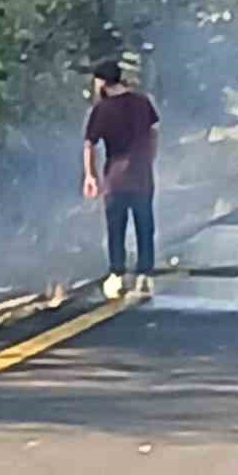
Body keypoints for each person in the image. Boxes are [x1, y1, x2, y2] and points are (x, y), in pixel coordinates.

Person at [83, 59, 159, 299]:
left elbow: (89, 144)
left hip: (115, 177)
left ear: (102, 82)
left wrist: (90, 175)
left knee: (116, 227)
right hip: (142, 175)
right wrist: (149, 157)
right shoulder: (142, 102)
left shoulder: (102, 110)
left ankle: (117, 274)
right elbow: (154, 131)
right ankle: (145, 275)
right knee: (144, 224)